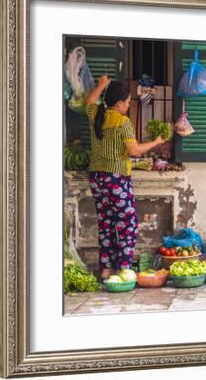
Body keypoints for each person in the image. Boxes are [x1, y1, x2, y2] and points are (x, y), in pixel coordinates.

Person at [85, 76, 165, 280]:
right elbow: (135, 150)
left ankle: (105, 269)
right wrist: (156, 142)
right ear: (119, 103)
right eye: (128, 102)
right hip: (116, 178)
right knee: (127, 223)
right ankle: (124, 268)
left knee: (106, 223)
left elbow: (89, 101)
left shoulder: (97, 114)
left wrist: (101, 85)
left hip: (96, 177)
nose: (129, 106)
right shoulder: (123, 122)